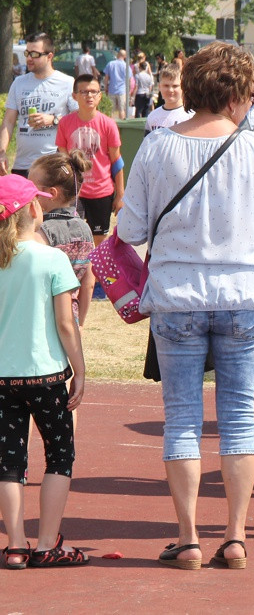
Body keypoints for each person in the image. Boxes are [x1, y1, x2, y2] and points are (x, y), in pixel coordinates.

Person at [117, 42, 254, 570]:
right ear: (236, 94)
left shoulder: (157, 147)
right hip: (243, 296)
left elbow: (129, 229)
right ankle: (235, 536)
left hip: (177, 297)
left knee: (183, 419)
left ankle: (188, 537)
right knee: (238, 417)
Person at [0, 175, 88, 569]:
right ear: (31, 211)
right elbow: (66, 324)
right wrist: (80, 369)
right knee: (59, 456)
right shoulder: (52, 259)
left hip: (2, 377)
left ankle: (16, 544)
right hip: (47, 376)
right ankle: (47, 542)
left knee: (9, 462)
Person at [56, 74, 124, 247]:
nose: (89, 96)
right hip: (75, 193)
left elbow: (117, 161)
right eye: (84, 92)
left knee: (100, 240)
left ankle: (96, 275)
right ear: (75, 96)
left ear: (100, 96)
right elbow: (63, 159)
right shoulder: (65, 123)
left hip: (101, 192)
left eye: (94, 92)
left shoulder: (108, 124)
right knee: (72, 240)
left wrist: (121, 195)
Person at [28, 151, 95, 327]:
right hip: (70, 319)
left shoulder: (41, 232)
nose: (27, 191)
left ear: (51, 193)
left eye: (31, 187)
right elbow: (88, 284)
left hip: (42, 317)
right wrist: (79, 322)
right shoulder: (86, 229)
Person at [0, 32, 78, 177]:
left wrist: (53, 120)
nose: (29, 58)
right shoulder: (19, 83)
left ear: (49, 56)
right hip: (23, 165)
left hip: (53, 165)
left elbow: (78, 119)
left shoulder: (67, 83)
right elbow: (8, 122)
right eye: (27, 53)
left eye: (35, 54)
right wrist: (2, 152)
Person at [144, 64, 194, 136]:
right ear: (159, 87)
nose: (170, 90)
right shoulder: (152, 116)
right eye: (166, 86)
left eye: (175, 86)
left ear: (183, 87)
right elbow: (147, 145)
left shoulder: (190, 116)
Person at [103, 50, 128, 120]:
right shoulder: (126, 65)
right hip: (122, 90)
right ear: (125, 56)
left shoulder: (110, 64)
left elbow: (106, 78)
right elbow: (129, 79)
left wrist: (106, 87)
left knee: (111, 110)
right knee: (122, 110)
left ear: (117, 55)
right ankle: (122, 126)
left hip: (112, 89)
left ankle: (110, 126)